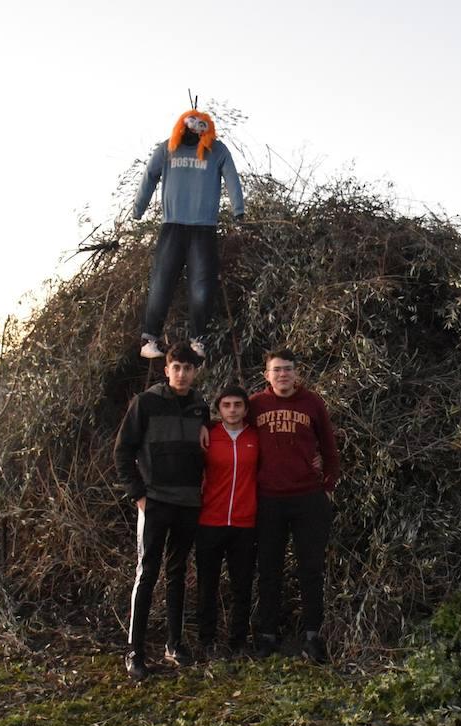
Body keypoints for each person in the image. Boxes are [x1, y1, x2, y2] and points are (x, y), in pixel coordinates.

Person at [114, 342, 208, 680]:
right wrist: (138, 495)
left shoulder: (200, 407)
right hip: (154, 502)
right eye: (176, 368)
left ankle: (174, 644)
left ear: (195, 372)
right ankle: (135, 651)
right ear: (166, 370)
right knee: (147, 573)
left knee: (178, 573)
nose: (182, 374)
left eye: (188, 368)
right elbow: (122, 451)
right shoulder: (145, 403)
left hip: (188, 503)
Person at [128, 108, 246, 360]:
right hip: (172, 224)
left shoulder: (217, 150)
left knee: (201, 284)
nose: (194, 131)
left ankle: (198, 339)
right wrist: (138, 209)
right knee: (162, 281)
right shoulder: (167, 149)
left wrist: (239, 211)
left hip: (204, 227)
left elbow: (232, 178)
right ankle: (149, 339)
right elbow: (149, 175)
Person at [249, 349, 340, 663]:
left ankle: (313, 635)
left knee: (311, 569)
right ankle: (268, 634)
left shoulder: (312, 403)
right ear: (267, 375)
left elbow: (329, 448)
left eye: (287, 369)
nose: (282, 374)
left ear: (296, 372)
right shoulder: (255, 404)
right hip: (268, 499)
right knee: (269, 569)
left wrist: (327, 485)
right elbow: (235, 433)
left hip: (307, 498)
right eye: (276, 370)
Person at [194, 383, 259, 658]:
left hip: (245, 523)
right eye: (227, 405)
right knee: (207, 585)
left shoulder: (256, 437)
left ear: (245, 409)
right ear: (219, 409)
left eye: (238, 405)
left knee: (241, 586)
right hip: (210, 521)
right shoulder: (208, 436)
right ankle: (206, 640)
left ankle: (237, 642)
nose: (232, 410)